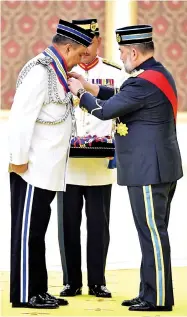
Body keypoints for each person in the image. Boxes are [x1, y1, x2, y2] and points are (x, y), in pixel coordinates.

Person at [67, 24, 183, 311]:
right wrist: (92, 87)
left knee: (152, 234)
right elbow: (120, 95)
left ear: (133, 51)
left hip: (148, 170)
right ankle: (148, 292)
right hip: (158, 167)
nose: (119, 56)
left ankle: (156, 298)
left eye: (121, 51)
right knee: (152, 233)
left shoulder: (142, 82)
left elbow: (106, 110)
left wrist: (81, 94)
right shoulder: (156, 74)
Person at [8, 19, 94, 309]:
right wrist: (18, 161)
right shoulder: (40, 71)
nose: (81, 59)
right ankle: (24, 294)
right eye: (80, 53)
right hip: (31, 169)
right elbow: (21, 119)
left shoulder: (56, 71)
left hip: (47, 169)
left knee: (37, 233)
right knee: (27, 234)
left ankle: (39, 290)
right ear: (68, 46)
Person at [57, 18, 122, 298]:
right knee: (68, 224)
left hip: (100, 163)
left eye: (90, 42)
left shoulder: (114, 73)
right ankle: (72, 281)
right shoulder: (60, 71)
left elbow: (122, 111)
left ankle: (97, 281)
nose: (84, 49)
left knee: (98, 226)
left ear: (98, 41)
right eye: (80, 44)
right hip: (68, 164)